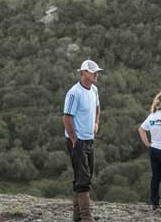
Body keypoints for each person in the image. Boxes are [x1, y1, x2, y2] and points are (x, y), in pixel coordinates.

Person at [63, 59, 102, 222]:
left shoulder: (94, 90)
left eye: (97, 72)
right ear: (84, 73)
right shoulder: (74, 92)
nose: (96, 75)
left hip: (89, 140)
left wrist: (96, 122)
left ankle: (77, 217)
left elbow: (98, 108)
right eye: (93, 72)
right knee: (84, 178)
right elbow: (66, 118)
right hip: (77, 141)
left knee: (83, 176)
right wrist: (74, 139)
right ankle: (86, 217)